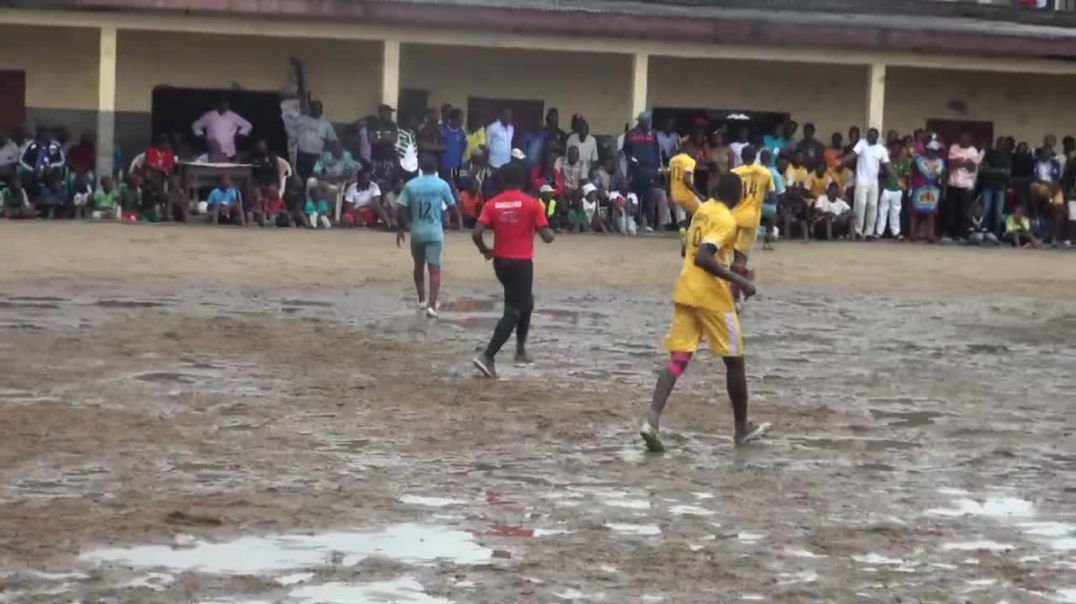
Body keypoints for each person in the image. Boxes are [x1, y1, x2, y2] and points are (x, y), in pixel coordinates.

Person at [639, 172, 769, 453]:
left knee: (679, 359)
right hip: (711, 297)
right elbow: (704, 257)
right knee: (735, 363)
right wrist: (741, 281)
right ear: (738, 197)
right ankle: (741, 429)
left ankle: (651, 420)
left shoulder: (701, 212)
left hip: (685, 291)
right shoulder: (726, 219)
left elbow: (686, 248)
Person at [470, 164, 555, 378]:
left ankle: (520, 351)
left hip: (500, 263)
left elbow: (476, 232)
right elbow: (548, 237)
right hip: (522, 264)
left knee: (527, 302)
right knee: (514, 311)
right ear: (523, 181)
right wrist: (545, 225)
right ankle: (487, 356)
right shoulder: (533, 204)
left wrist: (485, 250)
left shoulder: (492, 204)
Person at [395, 154, 460, 318]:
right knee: (434, 269)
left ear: (420, 168)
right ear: (436, 168)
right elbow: (452, 206)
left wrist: (401, 228)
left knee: (418, 266)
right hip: (434, 232)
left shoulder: (411, 185)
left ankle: (422, 300)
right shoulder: (442, 185)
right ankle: (432, 305)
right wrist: (458, 222)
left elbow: (400, 208)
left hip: (417, 231)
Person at [730, 146, 774, 301]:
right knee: (742, 257)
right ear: (755, 156)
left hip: (734, 217)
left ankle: (737, 286)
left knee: (735, 255)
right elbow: (771, 194)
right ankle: (742, 284)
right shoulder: (765, 173)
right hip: (752, 218)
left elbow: (729, 196)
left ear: (741, 156)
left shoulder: (735, 173)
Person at [841, 127, 890, 240]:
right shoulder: (862, 143)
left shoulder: (881, 149)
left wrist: (895, 178)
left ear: (876, 137)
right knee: (860, 204)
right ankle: (857, 231)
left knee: (872, 206)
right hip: (862, 180)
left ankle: (869, 232)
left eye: (872, 135)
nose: (870, 137)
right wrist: (842, 160)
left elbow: (887, 165)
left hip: (874, 182)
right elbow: (853, 154)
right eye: (868, 135)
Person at [623, 110, 662, 231]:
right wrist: (632, 159)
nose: (646, 123)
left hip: (649, 170)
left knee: (648, 197)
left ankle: (648, 223)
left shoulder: (653, 134)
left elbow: (656, 152)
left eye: (647, 121)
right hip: (635, 170)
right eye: (644, 121)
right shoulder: (631, 134)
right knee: (634, 196)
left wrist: (657, 168)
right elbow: (626, 150)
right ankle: (635, 221)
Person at [944, 132, 980, 242]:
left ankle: (962, 235)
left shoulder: (973, 151)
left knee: (964, 211)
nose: (963, 140)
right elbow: (950, 164)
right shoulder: (954, 147)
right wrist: (965, 162)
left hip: (966, 185)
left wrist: (960, 162)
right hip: (953, 183)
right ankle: (950, 234)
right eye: (961, 138)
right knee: (951, 210)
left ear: (970, 140)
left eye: (965, 139)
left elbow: (973, 167)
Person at [191, 96, 252, 160]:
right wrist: (203, 137)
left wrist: (239, 135)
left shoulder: (232, 115)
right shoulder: (209, 115)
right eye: (223, 103)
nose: (225, 105)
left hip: (230, 152)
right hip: (213, 151)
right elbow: (195, 126)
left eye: (226, 103)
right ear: (218, 104)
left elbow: (248, 125)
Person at [908, 140, 945, 244]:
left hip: (933, 189)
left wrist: (944, 190)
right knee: (915, 213)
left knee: (930, 214)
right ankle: (912, 234)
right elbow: (912, 173)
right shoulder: (918, 159)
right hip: (918, 187)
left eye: (934, 151)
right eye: (929, 150)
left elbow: (943, 176)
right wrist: (911, 186)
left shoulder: (940, 162)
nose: (931, 153)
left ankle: (930, 235)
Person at [291, 100, 337, 183]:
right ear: (311, 109)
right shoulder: (302, 119)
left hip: (316, 157)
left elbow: (333, 139)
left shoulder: (326, 124)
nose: (316, 111)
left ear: (321, 110)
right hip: (301, 154)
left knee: (313, 179)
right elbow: (290, 130)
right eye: (314, 109)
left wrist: (334, 155)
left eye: (318, 109)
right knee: (301, 177)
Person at [979, 136, 1012, 236]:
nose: (1001, 145)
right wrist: (1000, 171)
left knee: (998, 212)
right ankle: (985, 232)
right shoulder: (989, 154)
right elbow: (983, 170)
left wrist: (992, 171)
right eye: (999, 143)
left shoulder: (1007, 156)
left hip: (1000, 187)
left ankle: (996, 235)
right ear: (996, 143)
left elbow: (1008, 173)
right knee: (986, 210)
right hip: (987, 186)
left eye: (1003, 143)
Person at [876, 141, 908, 239]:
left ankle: (896, 232)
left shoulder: (905, 162)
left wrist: (903, 186)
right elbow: (881, 175)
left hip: (897, 190)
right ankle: (879, 232)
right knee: (882, 211)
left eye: (898, 148)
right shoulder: (886, 161)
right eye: (894, 148)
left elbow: (906, 176)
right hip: (886, 188)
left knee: (896, 212)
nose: (895, 150)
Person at [369, 104, 399, 189]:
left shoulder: (393, 125)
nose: (389, 114)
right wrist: (386, 139)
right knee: (374, 181)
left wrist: (381, 138)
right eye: (387, 112)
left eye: (390, 113)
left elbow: (394, 139)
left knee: (387, 182)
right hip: (376, 157)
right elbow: (372, 140)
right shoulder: (374, 124)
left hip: (389, 158)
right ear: (381, 113)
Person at [440, 108, 467, 184]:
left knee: (454, 186)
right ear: (452, 119)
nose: (461, 122)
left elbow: (463, 146)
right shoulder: (442, 129)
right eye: (460, 119)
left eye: (462, 119)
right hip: (443, 167)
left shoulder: (461, 133)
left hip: (455, 166)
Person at [396, 114, 420, 180]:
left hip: (414, 164)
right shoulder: (400, 133)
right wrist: (399, 162)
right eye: (413, 120)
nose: (415, 121)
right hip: (404, 164)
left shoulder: (413, 133)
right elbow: (397, 149)